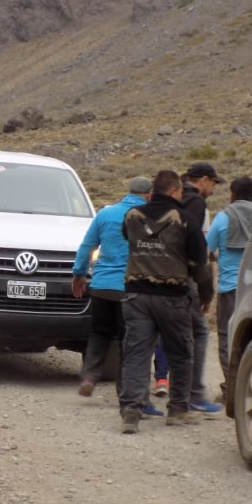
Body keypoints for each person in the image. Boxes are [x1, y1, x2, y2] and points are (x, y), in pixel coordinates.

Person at [118, 169, 213, 433]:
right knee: (181, 352)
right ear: (173, 191)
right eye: (180, 191)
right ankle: (178, 410)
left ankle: (130, 412)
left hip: (136, 295)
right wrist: (206, 295)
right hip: (172, 297)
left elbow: (128, 238)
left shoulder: (132, 216)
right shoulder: (184, 220)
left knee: (136, 352)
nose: (182, 195)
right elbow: (199, 263)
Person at [71, 176, 163, 416]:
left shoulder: (105, 214)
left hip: (101, 285)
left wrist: (79, 274)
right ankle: (127, 394)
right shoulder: (148, 219)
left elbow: (86, 246)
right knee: (129, 344)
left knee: (99, 333)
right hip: (130, 291)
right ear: (149, 195)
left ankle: (89, 377)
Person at [206, 176, 252, 402]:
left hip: (230, 289)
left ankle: (231, 390)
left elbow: (206, 249)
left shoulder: (223, 217)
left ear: (232, 194)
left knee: (226, 338)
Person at [180, 161, 225, 414]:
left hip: (154, 276)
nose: (213, 188)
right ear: (204, 179)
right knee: (198, 332)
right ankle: (194, 394)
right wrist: (205, 288)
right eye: (214, 183)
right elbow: (195, 245)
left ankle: (136, 398)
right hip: (184, 278)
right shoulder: (196, 202)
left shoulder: (172, 197)